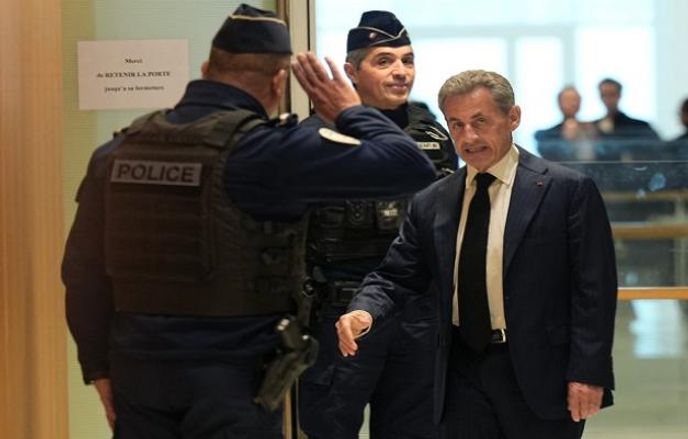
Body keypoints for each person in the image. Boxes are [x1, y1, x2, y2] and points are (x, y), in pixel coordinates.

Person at [62, 4, 437, 438]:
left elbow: (82, 273)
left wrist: (98, 368)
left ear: (206, 70)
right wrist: (349, 111)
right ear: (279, 82)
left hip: (139, 374)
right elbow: (409, 166)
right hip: (232, 379)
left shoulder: (116, 154)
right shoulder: (269, 155)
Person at [338, 70, 618, 439]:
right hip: (461, 373)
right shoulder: (433, 200)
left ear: (513, 117)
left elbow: (594, 292)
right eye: (456, 124)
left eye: (480, 121)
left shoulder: (566, 190)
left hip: (540, 374)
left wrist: (588, 373)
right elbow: (397, 275)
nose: (468, 137)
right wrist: (364, 310)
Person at [298, 11, 457, 439]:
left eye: (408, 60)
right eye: (384, 61)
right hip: (339, 313)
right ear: (351, 72)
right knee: (329, 428)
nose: (401, 71)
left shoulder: (433, 134)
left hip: (416, 314)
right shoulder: (316, 136)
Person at [594, 77, 659, 161]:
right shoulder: (594, 126)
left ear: (619, 95)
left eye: (612, 94)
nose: (608, 99)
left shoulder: (640, 126)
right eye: (604, 95)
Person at [535, 85, 598, 162]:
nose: (572, 103)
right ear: (559, 103)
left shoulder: (591, 128)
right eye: (567, 100)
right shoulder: (546, 135)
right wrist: (566, 139)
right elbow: (544, 151)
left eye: (575, 100)